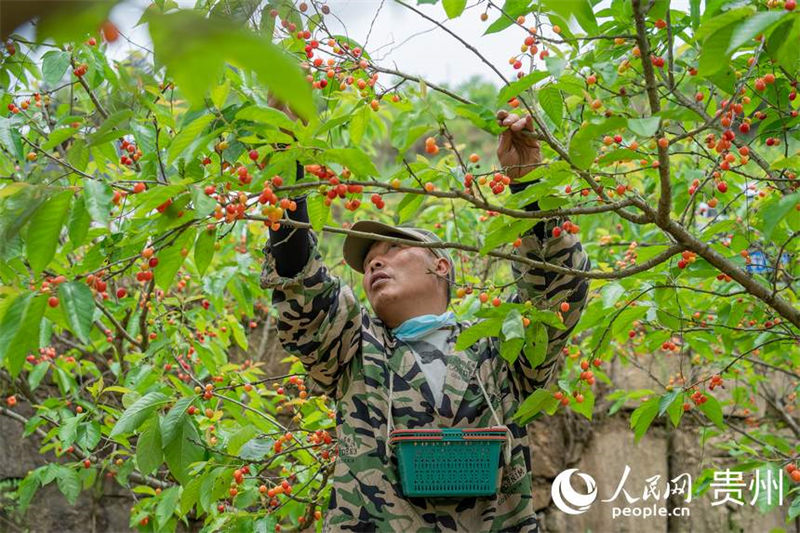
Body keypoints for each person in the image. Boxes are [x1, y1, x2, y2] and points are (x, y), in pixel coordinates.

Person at [260, 109, 591, 532]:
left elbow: (558, 289)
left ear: (440, 266)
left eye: (394, 249)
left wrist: (529, 184)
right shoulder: (352, 347)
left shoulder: (498, 345)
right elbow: (300, 284)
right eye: (368, 262)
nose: (375, 261)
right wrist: (287, 157)